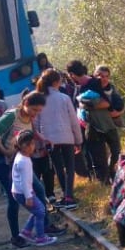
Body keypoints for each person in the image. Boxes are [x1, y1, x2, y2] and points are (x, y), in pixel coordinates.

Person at [0, 92, 64, 247]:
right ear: (25, 103)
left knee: (40, 189)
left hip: (20, 160)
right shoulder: (11, 116)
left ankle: (43, 225)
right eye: (33, 109)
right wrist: (4, 150)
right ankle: (16, 236)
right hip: (4, 163)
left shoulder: (29, 117)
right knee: (13, 199)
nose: (35, 113)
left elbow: (30, 132)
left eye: (38, 111)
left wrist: (42, 139)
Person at [35, 69, 83, 210]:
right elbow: (74, 120)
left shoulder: (40, 99)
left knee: (58, 167)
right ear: (56, 82)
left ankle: (65, 195)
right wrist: (78, 139)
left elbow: (36, 123)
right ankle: (69, 196)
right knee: (70, 166)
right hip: (67, 137)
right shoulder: (64, 98)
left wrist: (39, 143)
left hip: (49, 139)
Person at [66, 60, 120, 184]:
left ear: (72, 74)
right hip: (92, 127)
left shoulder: (94, 83)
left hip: (107, 124)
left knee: (115, 152)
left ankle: (111, 173)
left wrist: (87, 105)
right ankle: (104, 182)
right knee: (98, 158)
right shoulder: (78, 88)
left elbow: (107, 102)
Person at [11, 130, 58, 246]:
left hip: (19, 191)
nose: (33, 146)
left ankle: (27, 232)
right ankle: (40, 237)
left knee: (38, 210)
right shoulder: (24, 161)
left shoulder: (21, 157)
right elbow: (25, 182)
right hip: (23, 192)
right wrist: (29, 197)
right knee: (40, 211)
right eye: (32, 144)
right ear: (25, 146)